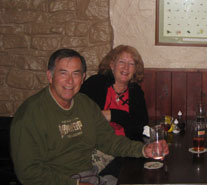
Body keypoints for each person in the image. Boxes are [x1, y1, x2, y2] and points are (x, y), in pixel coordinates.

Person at [10, 48, 168, 185]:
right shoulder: (30, 115)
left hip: (89, 176)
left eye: (76, 74)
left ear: (83, 77)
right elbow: (28, 173)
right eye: (63, 73)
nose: (70, 81)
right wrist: (76, 184)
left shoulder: (85, 104)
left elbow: (109, 140)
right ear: (50, 76)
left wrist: (144, 150)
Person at [80, 45, 149, 177]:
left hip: (125, 148)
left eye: (131, 64)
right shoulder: (95, 84)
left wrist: (112, 114)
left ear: (135, 70)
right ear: (112, 65)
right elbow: (83, 116)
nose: (126, 68)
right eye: (121, 62)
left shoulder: (136, 92)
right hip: (96, 146)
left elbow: (140, 125)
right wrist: (125, 118)